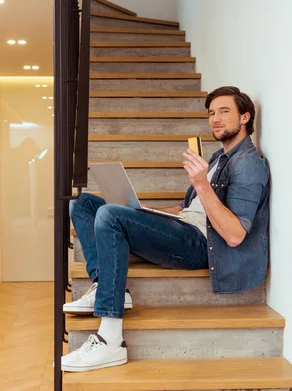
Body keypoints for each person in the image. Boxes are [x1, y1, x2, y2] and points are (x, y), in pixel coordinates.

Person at [61, 86, 270, 372]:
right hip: (183, 227)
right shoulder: (219, 159)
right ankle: (106, 288)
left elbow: (234, 235)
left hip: (202, 245)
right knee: (82, 203)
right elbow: (190, 209)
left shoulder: (248, 165)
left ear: (245, 117)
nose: (215, 119)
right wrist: (144, 213)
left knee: (109, 216)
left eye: (224, 112)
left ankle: (110, 341)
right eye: (211, 113)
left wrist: (201, 184)